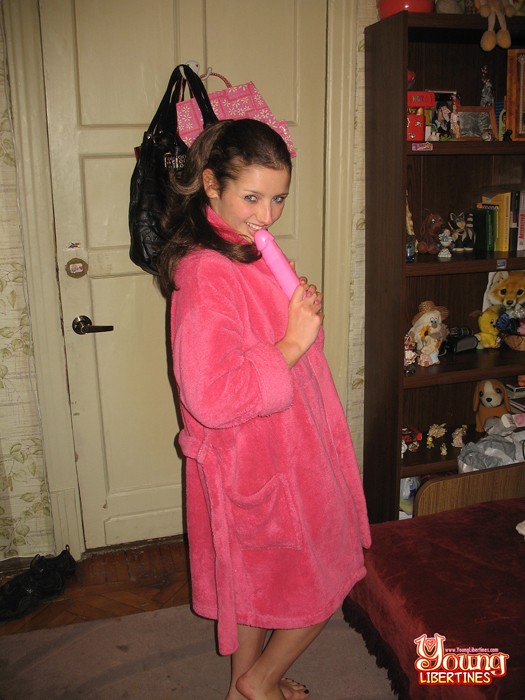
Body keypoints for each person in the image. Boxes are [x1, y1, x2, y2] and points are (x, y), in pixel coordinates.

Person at [159, 119, 371, 700]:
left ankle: (240, 690)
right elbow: (212, 394)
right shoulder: (206, 271)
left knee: (255, 582)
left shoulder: (243, 248)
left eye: (278, 198)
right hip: (259, 460)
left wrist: (296, 312)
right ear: (211, 184)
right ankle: (261, 680)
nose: (267, 215)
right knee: (326, 571)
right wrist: (293, 342)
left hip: (288, 446)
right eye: (252, 197)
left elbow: (268, 341)